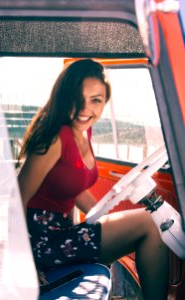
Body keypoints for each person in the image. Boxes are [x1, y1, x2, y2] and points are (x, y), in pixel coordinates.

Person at [17, 59, 169, 300]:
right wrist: (22, 263)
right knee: (149, 224)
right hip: (43, 244)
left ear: (104, 102)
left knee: (147, 222)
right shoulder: (55, 138)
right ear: (64, 96)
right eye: (78, 97)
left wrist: (101, 217)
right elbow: (16, 199)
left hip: (64, 234)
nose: (85, 109)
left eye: (96, 100)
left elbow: (73, 187)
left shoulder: (83, 130)